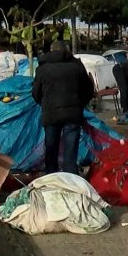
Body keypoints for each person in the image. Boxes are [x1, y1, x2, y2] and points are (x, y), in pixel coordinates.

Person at [32, 41, 95, 174]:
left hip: (50, 114)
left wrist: (45, 104)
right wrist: (79, 104)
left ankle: (51, 178)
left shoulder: (42, 69)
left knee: (51, 149)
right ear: (66, 51)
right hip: (73, 114)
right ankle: (70, 180)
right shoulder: (77, 66)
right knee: (70, 152)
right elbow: (88, 90)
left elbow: (35, 93)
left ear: (50, 50)